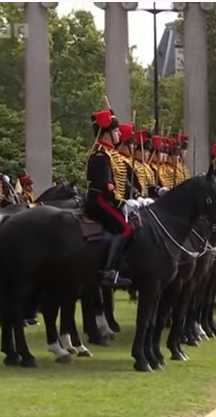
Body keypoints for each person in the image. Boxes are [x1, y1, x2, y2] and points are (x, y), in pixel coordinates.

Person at [84, 107, 132, 288]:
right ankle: (109, 270)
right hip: (99, 200)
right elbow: (105, 186)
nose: (119, 134)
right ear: (106, 133)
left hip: (109, 199)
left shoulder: (110, 154)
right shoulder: (100, 155)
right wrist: (121, 202)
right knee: (125, 228)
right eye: (116, 130)